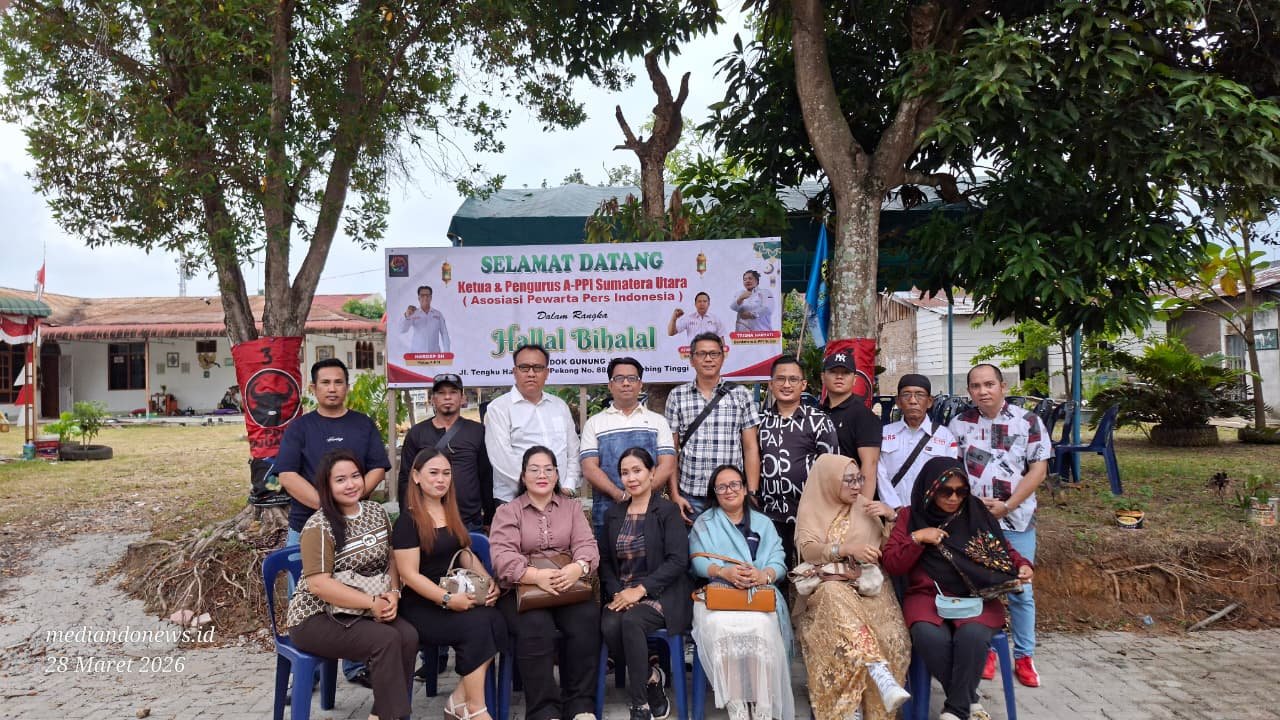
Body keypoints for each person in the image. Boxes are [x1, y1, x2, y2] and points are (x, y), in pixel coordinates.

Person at [881, 457, 1034, 720]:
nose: (954, 498)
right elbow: (893, 563)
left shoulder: (975, 512)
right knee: (928, 635)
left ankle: (956, 709)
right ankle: (967, 701)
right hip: (927, 594)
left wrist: (1022, 565)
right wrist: (918, 538)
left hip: (975, 593)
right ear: (930, 489)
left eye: (961, 491)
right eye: (946, 491)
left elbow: (1002, 549)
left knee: (972, 635)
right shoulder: (910, 516)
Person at [277, 358, 392, 686]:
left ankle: (357, 666)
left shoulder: (362, 424)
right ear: (313, 389)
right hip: (308, 526)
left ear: (347, 387)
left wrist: (351, 499)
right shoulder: (300, 428)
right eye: (325, 383)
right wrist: (329, 505)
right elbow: (287, 475)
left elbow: (377, 467)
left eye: (338, 382)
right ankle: (307, 675)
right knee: (307, 598)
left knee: (359, 589)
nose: (332, 388)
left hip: (358, 529)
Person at [285, 450, 417, 720]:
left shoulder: (376, 512)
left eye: (355, 476)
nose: (351, 484)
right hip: (315, 616)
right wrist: (372, 603)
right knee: (385, 640)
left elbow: (391, 557)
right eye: (340, 480)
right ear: (326, 486)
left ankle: (381, 714)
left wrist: (393, 593)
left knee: (408, 636)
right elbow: (319, 585)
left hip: (362, 608)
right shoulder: (319, 525)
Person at [948, 364, 1050, 687]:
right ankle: (987, 649)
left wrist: (1008, 505)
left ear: (1003, 386)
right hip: (974, 520)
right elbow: (953, 470)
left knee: (1021, 589)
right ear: (969, 391)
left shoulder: (1028, 422)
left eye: (989, 384)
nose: (983, 391)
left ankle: (1024, 656)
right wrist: (972, 505)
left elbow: (1038, 470)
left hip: (1017, 519)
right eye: (976, 386)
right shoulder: (959, 425)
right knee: (977, 586)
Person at [793, 454, 910, 720]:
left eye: (859, 479)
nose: (857, 486)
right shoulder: (813, 507)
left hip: (868, 586)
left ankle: (872, 707)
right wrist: (845, 549)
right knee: (835, 603)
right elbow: (809, 550)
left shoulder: (866, 507)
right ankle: (856, 699)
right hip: (828, 587)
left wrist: (891, 517)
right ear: (830, 481)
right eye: (849, 480)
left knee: (892, 635)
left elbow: (890, 551)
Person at [393, 448, 505, 720]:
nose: (440, 479)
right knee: (478, 625)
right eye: (433, 473)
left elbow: (464, 553)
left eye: (446, 473)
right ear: (416, 476)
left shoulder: (450, 511)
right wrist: (446, 599)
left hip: (454, 591)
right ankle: (476, 708)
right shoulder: (408, 521)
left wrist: (488, 582)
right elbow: (409, 575)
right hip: (422, 604)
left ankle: (457, 701)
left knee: (496, 618)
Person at [490, 446, 601, 720]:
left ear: (557, 475)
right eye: (534, 469)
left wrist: (577, 568)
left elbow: (587, 545)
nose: (542, 475)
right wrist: (536, 576)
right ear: (523, 476)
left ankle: (580, 706)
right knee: (536, 626)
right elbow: (502, 556)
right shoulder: (508, 511)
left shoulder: (572, 508)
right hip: (522, 589)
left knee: (586, 618)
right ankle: (544, 710)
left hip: (567, 585)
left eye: (548, 469)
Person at [688, 465, 793, 720]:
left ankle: (762, 704)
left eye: (735, 484)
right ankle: (736, 704)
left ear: (745, 489)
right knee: (721, 627)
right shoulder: (705, 523)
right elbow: (697, 560)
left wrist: (763, 575)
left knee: (762, 627)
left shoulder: (763, 523)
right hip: (719, 595)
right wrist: (723, 572)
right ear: (715, 492)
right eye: (722, 487)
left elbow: (779, 559)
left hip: (758, 595)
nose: (729, 491)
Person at [598, 448, 692, 720]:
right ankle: (651, 677)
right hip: (624, 592)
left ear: (652, 473)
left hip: (661, 593)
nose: (631, 478)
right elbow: (605, 561)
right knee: (609, 624)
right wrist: (619, 592)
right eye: (625, 473)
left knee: (631, 621)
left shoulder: (668, 511)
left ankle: (639, 705)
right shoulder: (614, 514)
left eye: (637, 470)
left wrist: (639, 591)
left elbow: (678, 560)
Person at [665, 332, 761, 523]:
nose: (708, 359)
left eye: (714, 354)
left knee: (733, 543)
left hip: (731, 494)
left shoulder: (741, 395)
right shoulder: (677, 396)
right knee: (694, 543)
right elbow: (670, 451)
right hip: (691, 496)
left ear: (723, 357)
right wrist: (675, 495)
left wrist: (750, 492)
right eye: (701, 354)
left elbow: (750, 448)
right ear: (691, 359)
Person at [580, 357, 677, 538]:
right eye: (619, 378)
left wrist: (642, 494)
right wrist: (619, 495)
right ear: (610, 385)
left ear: (640, 384)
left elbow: (667, 464)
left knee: (653, 552)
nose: (626, 383)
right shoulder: (594, 423)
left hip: (651, 509)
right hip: (608, 510)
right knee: (609, 554)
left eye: (632, 378)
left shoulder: (658, 421)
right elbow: (589, 468)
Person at [758, 356, 837, 571]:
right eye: (780, 379)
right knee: (775, 570)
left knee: (810, 573)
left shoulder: (819, 420)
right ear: (771, 384)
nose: (786, 385)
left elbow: (832, 468)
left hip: (810, 513)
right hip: (770, 513)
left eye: (793, 379)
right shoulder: (760, 421)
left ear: (803, 384)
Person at [484, 344, 581, 504]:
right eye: (524, 367)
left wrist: (569, 485)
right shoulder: (499, 408)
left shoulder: (559, 406)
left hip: (560, 498)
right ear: (514, 372)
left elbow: (573, 451)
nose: (531, 373)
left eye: (537, 368)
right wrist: (539, 490)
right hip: (515, 500)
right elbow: (502, 460)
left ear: (547, 373)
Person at [398, 373, 491, 530]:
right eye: (441, 393)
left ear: (462, 398)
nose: (447, 397)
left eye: (453, 392)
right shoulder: (417, 433)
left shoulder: (477, 431)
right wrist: (406, 518)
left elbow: (486, 476)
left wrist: (489, 516)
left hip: (469, 520)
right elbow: (405, 479)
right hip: (427, 521)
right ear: (432, 399)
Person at [877, 374, 958, 510]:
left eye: (920, 395)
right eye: (906, 395)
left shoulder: (945, 437)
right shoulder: (884, 434)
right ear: (898, 401)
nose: (913, 400)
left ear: (930, 401)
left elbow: (949, 477)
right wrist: (895, 508)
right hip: (892, 513)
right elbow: (880, 475)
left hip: (931, 513)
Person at [820, 350, 882, 490]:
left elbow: (869, 466)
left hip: (850, 492)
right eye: (833, 372)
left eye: (846, 373)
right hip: (821, 492)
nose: (839, 376)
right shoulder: (816, 413)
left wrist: (860, 501)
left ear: (854, 379)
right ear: (823, 377)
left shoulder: (864, 416)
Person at [402, 285, 450, 353]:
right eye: (422, 295)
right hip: (417, 354)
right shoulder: (413, 313)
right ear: (419, 298)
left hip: (434, 354)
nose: (425, 297)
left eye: (427, 295)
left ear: (431, 297)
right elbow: (403, 330)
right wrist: (406, 316)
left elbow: (444, 334)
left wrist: (447, 352)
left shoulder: (438, 314)